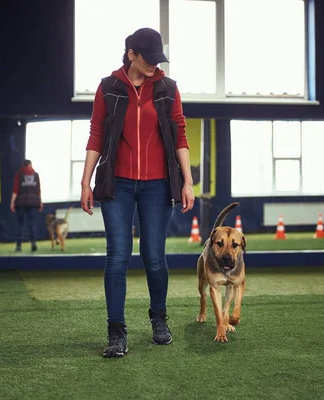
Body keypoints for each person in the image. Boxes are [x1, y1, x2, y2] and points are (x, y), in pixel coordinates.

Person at [80, 27, 195, 358]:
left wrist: (187, 181)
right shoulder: (108, 88)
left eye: (159, 60)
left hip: (158, 185)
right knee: (117, 256)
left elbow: (181, 137)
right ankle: (116, 331)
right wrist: (86, 182)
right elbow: (96, 136)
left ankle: (159, 319)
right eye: (149, 59)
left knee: (154, 257)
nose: (155, 66)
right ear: (131, 53)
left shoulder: (168, 89)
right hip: (117, 183)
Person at [11, 159, 43, 252]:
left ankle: (18, 246)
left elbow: (15, 190)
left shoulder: (19, 174)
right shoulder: (36, 175)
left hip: (20, 202)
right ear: (30, 165)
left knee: (20, 225)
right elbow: (38, 190)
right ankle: (33, 244)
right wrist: (40, 202)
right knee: (31, 224)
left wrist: (12, 202)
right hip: (33, 202)